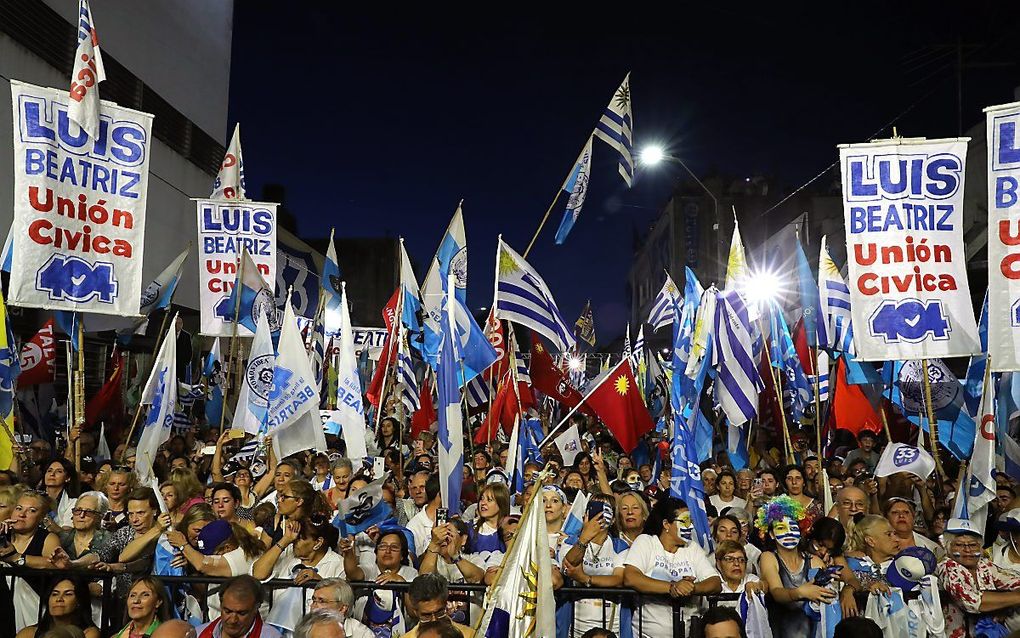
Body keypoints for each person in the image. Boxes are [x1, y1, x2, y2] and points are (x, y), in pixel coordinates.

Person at [623, 497, 721, 638]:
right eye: (685, 521)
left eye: (691, 522)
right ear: (666, 524)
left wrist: (691, 588)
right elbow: (631, 577)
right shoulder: (646, 542)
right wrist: (672, 587)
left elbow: (715, 582)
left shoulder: (691, 548)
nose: (691, 526)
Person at [757, 496, 834, 638]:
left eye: (793, 527)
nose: (789, 532)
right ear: (771, 534)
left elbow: (827, 599)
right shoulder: (768, 557)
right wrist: (800, 592)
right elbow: (777, 592)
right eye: (781, 528)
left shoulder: (815, 561)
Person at [254, 518, 344, 634]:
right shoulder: (288, 553)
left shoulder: (338, 564)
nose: (294, 541)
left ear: (318, 542)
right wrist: (285, 539)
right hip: (275, 633)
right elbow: (258, 574)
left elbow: (345, 603)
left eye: (300, 538)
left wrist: (321, 582)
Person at [938, 518, 1020, 638]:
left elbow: (1013, 580)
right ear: (948, 548)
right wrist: (1015, 597)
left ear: (980, 547)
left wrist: (1006, 604)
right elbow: (971, 601)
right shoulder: (947, 566)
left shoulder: (983, 564)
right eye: (959, 545)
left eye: (973, 545)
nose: (967, 550)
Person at [561, 492, 628, 637]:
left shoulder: (619, 545)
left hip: (610, 626)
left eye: (606, 510)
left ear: (613, 520)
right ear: (586, 514)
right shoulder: (570, 541)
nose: (600, 515)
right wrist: (585, 537)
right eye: (595, 509)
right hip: (577, 625)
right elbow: (569, 565)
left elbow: (618, 579)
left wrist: (585, 578)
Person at [1, 490, 63, 631]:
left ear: (41, 517)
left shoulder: (48, 538)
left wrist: (18, 558)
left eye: (31, 511)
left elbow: (55, 564)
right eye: (19, 508)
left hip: (33, 605)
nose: (21, 514)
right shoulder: (2, 533)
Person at [195, 575, 281, 638]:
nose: (233, 620)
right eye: (227, 611)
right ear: (221, 605)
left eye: (241, 613)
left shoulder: (271, 636)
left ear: (256, 608)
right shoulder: (197, 634)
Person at [15, 578, 99, 638]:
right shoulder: (28, 633)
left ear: (79, 602)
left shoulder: (89, 633)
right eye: (54, 594)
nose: (59, 599)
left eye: (68, 594)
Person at [51, 491, 111, 568]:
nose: (81, 515)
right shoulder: (61, 538)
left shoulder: (108, 538)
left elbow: (98, 556)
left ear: (100, 516)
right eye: (78, 510)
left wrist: (72, 564)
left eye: (89, 511)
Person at [402, 574, 475, 638]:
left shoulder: (469, 635)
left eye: (439, 612)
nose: (434, 619)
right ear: (415, 612)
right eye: (427, 615)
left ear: (446, 604)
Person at [843, 515, 898, 591]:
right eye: (888, 534)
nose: (896, 539)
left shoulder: (903, 566)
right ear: (870, 541)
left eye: (895, 534)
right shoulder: (850, 567)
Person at [309, 578, 374, 638]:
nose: (313, 606)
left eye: (322, 601)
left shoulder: (363, 635)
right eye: (314, 600)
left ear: (342, 608)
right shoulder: (306, 628)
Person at [714, 540, 766, 606]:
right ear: (718, 564)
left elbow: (764, 585)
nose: (737, 563)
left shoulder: (751, 579)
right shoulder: (712, 582)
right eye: (730, 559)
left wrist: (759, 586)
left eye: (741, 560)